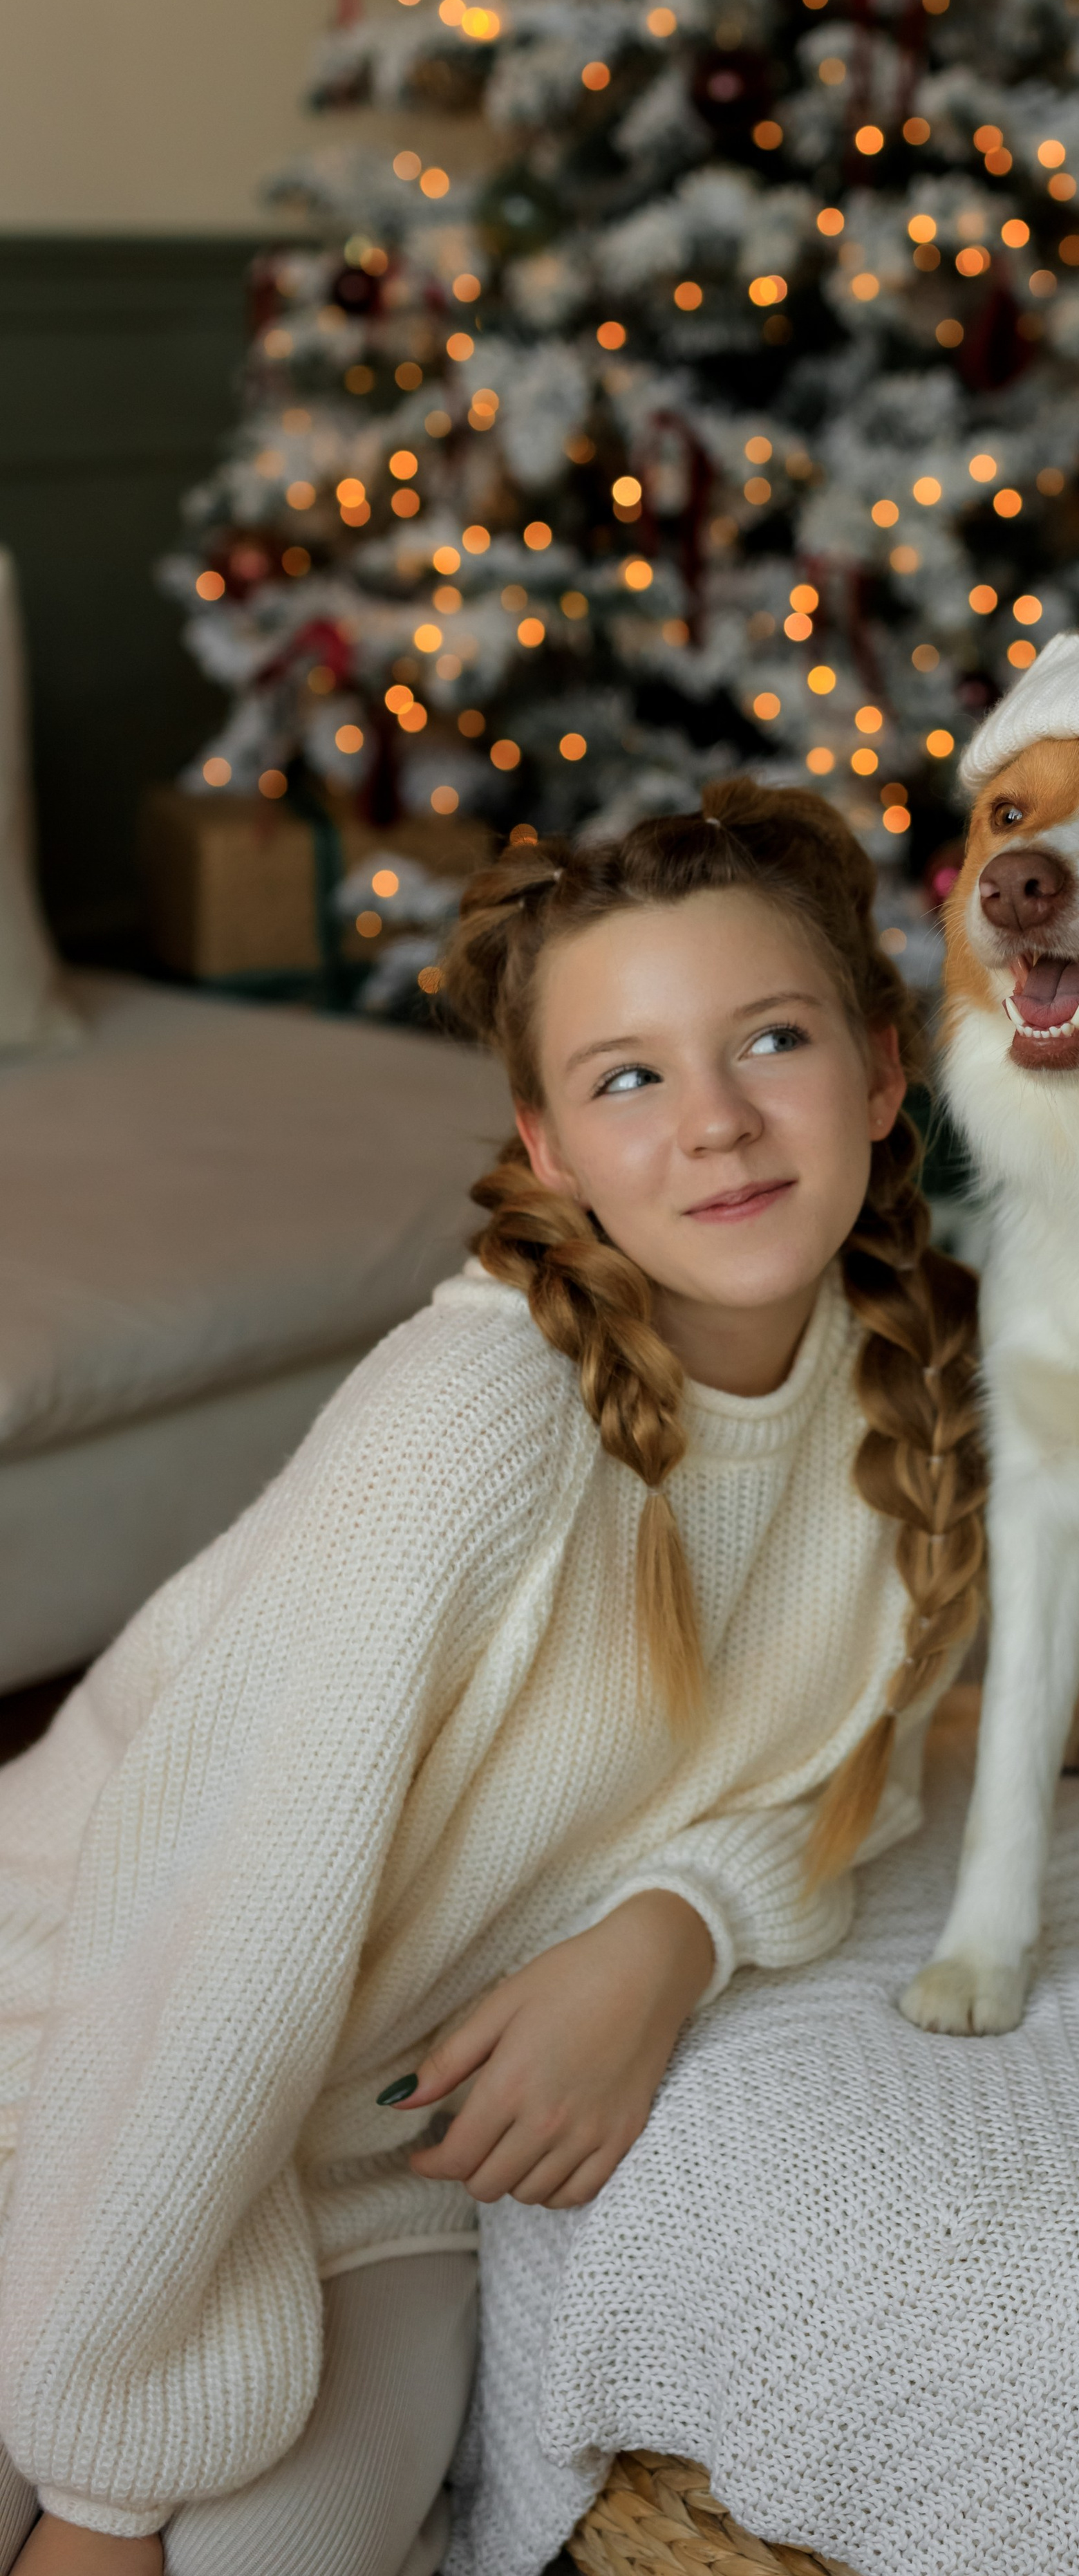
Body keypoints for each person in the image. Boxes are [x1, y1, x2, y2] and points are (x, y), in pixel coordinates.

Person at [0, 783, 985, 2576]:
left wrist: (674, 1929)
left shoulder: (908, 1409)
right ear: (547, 1144)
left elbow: (862, 1772)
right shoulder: (476, 1423)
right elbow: (201, 1939)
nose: (719, 1124)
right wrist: (101, 2486)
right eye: (630, 1077)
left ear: (882, 1069)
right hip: (70, 2057)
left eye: (772, 1038)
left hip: (376, 2176)